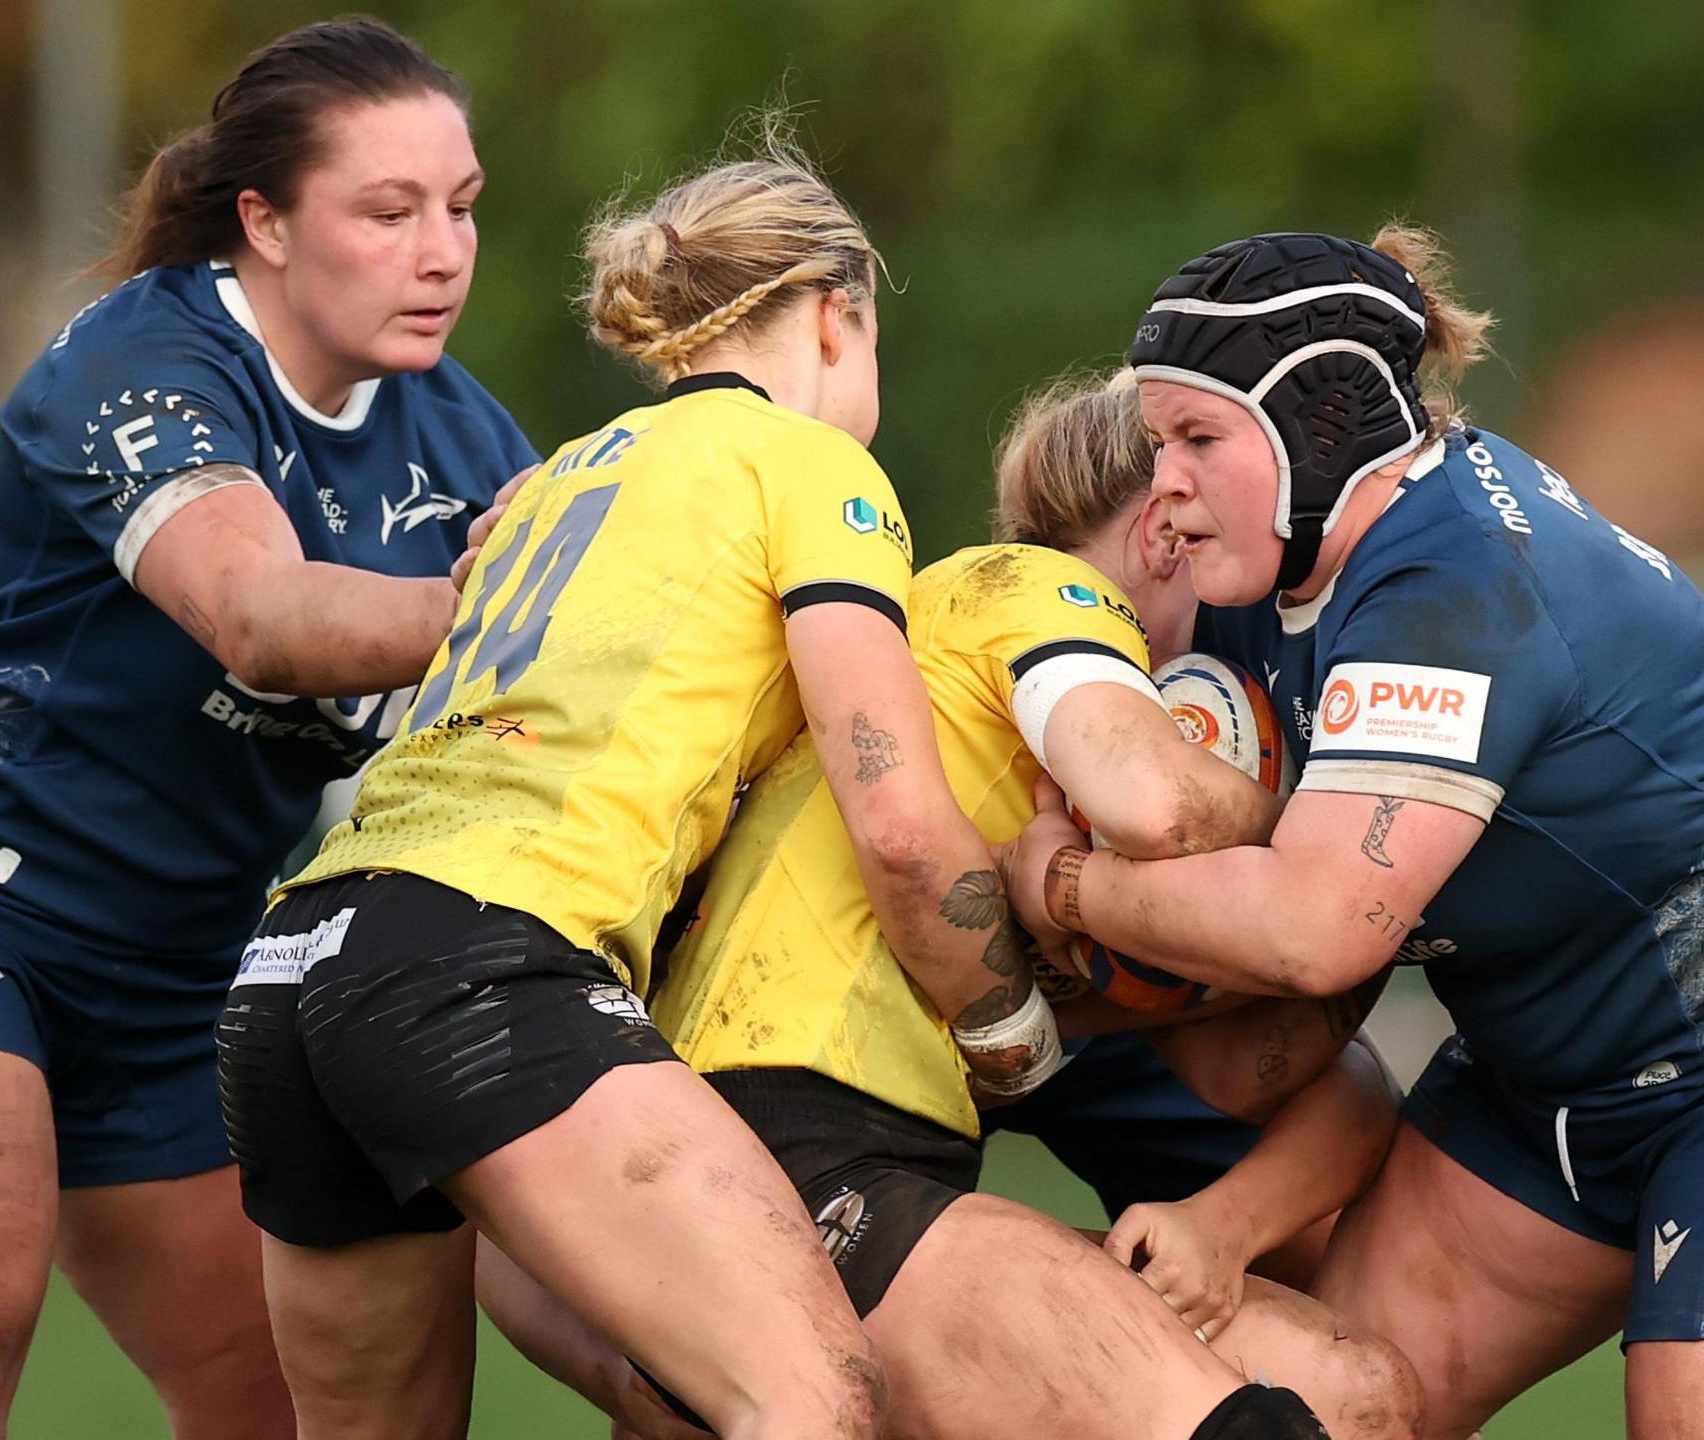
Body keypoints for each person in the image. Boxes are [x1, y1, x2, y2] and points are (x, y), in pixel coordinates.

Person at [998, 227, 1704, 1440]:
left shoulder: (1448, 582)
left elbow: (1313, 930)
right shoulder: (1283, 569)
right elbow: (1262, 1047)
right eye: (1157, 445)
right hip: (1548, 1074)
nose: (1167, 489)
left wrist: (1065, 889)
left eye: (1198, 440)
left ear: (1321, 426)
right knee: (1331, 1408)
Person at [216, 126, 1076, 1440]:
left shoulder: (554, 479)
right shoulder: (813, 466)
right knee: (815, 1399)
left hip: (293, 969)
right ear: (836, 311)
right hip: (479, 962)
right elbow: (901, 829)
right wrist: (1011, 1030)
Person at [0, 20, 532, 1440]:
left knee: (283, 1400)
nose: (442, 254)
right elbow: (260, 616)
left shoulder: (472, 447)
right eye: (388, 211)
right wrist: (536, 607)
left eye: (463, 207)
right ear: (265, 222)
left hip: (181, 976)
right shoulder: (141, 360)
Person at [583, 372, 1414, 1440]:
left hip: (848, 1156)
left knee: (1357, 1392)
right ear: (1160, 531)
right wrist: (1334, 845)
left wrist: (1220, 1218)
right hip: (788, 1134)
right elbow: (1159, 803)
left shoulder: (1010, 757)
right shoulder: (1029, 590)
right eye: (1207, 563)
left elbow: (1273, 1067)